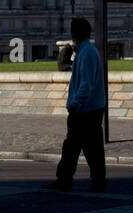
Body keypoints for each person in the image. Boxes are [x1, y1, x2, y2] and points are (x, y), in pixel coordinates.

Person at [44, 17, 107, 192]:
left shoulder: (86, 53)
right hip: (89, 109)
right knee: (87, 148)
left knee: (75, 147)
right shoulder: (85, 51)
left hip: (85, 110)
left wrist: (75, 104)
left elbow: (86, 84)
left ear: (75, 33)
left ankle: (67, 180)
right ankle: (95, 181)